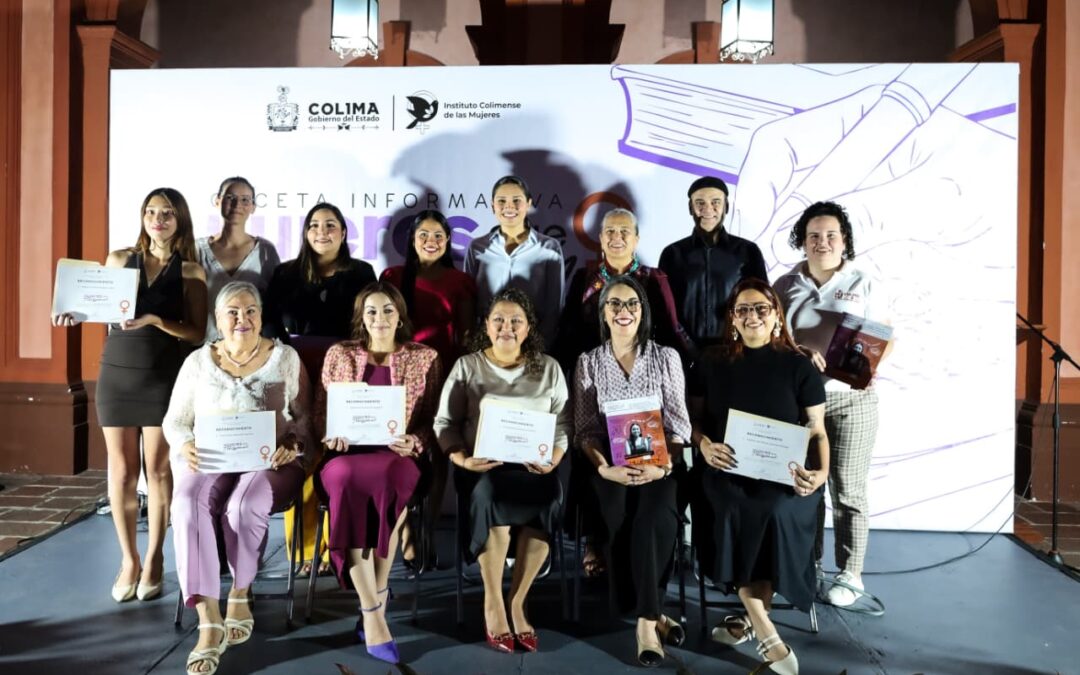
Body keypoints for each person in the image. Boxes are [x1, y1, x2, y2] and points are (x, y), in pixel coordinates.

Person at [52, 187, 207, 603]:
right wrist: (73, 312)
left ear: (180, 219)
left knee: (158, 472)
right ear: (142, 217)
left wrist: (156, 319)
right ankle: (129, 560)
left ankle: (154, 557)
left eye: (167, 213)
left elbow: (196, 333)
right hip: (117, 375)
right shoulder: (119, 259)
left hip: (163, 377)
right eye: (151, 212)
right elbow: (100, 307)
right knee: (121, 472)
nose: (158, 220)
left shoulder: (191, 271)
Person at [163, 282, 310, 675]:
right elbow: (174, 421)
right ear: (218, 319)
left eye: (250, 311)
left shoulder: (285, 358)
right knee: (186, 504)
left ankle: (241, 591)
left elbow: (305, 417)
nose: (242, 319)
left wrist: (293, 443)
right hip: (210, 459)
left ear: (261, 316)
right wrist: (185, 444)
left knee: (242, 506)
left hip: (271, 461)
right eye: (232, 312)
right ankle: (209, 621)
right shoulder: (198, 362)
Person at [689, 278, 829, 675]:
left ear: (776, 317)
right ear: (732, 319)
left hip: (782, 475)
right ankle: (765, 629)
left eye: (761, 309)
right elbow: (693, 421)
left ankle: (752, 618)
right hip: (725, 469)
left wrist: (820, 474)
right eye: (743, 310)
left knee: (777, 509)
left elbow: (817, 431)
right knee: (736, 507)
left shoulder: (798, 366)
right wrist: (704, 445)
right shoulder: (711, 362)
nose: (753, 316)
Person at [434, 287, 571, 654]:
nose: (506, 327)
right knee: (490, 494)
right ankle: (493, 602)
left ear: (529, 328)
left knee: (549, 495)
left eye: (515, 321)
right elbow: (445, 423)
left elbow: (563, 424)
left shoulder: (549, 367)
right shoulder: (467, 366)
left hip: (534, 466)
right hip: (482, 466)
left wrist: (554, 458)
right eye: (498, 320)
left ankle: (518, 600)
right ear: (486, 326)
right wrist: (462, 460)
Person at [772, 200, 892, 608]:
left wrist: (866, 366)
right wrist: (798, 351)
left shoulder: (864, 282)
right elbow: (773, 338)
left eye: (830, 235)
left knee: (848, 489)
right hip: (802, 403)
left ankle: (850, 573)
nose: (822, 242)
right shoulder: (785, 285)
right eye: (813, 236)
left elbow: (886, 339)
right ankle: (808, 564)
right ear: (802, 241)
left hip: (852, 401)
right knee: (806, 486)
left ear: (844, 241)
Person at [315, 282, 441, 665]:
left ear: (400, 316)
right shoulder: (339, 354)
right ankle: (373, 611)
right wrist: (330, 435)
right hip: (345, 456)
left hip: (398, 456)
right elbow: (321, 411)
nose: (380, 318)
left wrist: (415, 441)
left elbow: (434, 419)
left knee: (390, 481)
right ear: (361, 316)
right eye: (371, 310)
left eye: (388, 310)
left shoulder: (424, 358)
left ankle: (375, 601)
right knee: (347, 482)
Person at [573, 276, 691, 667]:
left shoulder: (666, 358)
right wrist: (605, 468)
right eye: (615, 304)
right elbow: (585, 430)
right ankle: (656, 615)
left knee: (654, 516)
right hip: (610, 466)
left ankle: (643, 623)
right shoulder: (589, 362)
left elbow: (679, 426)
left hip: (660, 465)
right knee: (619, 512)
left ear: (643, 311)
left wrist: (664, 466)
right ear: (603, 313)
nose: (624, 311)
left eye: (632, 304)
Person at [263, 201, 376, 577]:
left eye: (330, 225)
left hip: (346, 369)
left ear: (343, 232)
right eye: (314, 225)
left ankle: (335, 545)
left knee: (337, 453)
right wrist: (286, 362)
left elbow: (367, 324)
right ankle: (305, 550)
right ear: (305, 232)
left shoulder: (362, 272)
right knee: (301, 451)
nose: (322, 232)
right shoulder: (285, 273)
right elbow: (270, 324)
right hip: (297, 369)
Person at [381, 209, 476, 569]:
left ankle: (429, 529)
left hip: (445, 373)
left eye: (438, 235)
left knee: (438, 454)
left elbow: (465, 337)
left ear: (448, 240)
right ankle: (406, 530)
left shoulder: (461, 281)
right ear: (412, 239)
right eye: (424, 235)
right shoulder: (392, 277)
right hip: (399, 378)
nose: (431, 242)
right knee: (402, 450)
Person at [554, 207, 694, 373]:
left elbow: (670, 330)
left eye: (624, 231)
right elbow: (568, 331)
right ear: (601, 238)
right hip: (591, 370)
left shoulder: (653, 279)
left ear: (636, 240)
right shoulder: (584, 278)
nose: (616, 237)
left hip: (642, 371)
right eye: (610, 231)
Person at [658, 176, 768, 351]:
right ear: (690, 208)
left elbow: (763, 306)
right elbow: (663, 309)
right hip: (682, 353)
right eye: (700, 203)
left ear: (727, 206)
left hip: (736, 352)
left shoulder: (748, 251)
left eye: (715, 202)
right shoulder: (672, 254)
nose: (708, 209)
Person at [464, 175, 565, 347]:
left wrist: (541, 345)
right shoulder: (477, 247)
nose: (509, 206)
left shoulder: (549, 247)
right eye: (501, 201)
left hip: (533, 341)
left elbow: (554, 305)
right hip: (487, 342)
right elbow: (468, 300)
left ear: (529, 204)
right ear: (492, 206)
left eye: (516, 200)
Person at [197, 176, 281, 343]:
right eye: (230, 197)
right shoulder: (196, 250)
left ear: (253, 207)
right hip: (205, 348)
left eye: (245, 199)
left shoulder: (265, 252)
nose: (237, 205)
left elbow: (274, 307)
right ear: (217, 201)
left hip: (251, 348)